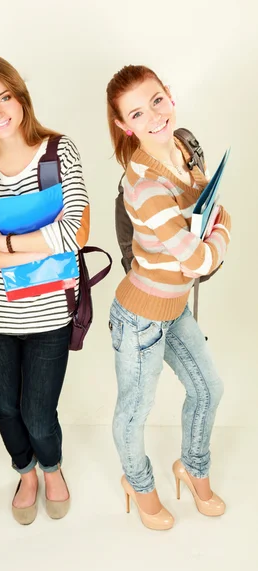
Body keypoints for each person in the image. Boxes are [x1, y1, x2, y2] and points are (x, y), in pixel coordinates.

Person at [0, 53, 89, 524]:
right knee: (6, 407)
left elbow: (74, 234)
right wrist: (30, 251)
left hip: (49, 315)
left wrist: (3, 241)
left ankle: (52, 466)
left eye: (4, 98)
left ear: (20, 94)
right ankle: (26, 471)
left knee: (38, 411)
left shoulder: (57, 151)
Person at [106, 65, 231, 530]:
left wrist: (216, 232)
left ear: (169, 95)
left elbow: (214, 212)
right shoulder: (145, 185)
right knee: (135, 411)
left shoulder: (179, 147)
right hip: (139, 316)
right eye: (137, 112)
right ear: (125, 126)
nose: (154, 116)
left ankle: (192, 468)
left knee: (208, 389)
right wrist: (223, 235)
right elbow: (199, 258)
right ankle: (138, 484)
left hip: (173, 307)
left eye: (157, 100)